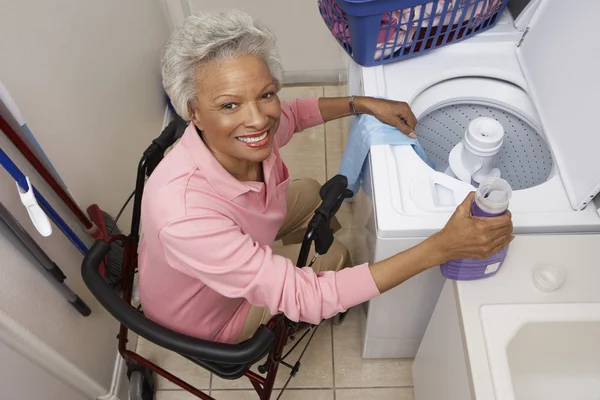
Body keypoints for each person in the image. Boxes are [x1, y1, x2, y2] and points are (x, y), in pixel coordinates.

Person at [138, 10, 513, 344]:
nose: (257, 119)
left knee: (310, 193)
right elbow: (309, 298)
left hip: (235, 242)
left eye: (266, 95)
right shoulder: (185, 216)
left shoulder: (242, 136)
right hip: (212, 314)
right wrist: (442, 247)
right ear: (194, 114)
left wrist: (361, 104)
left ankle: (274, 263)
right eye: (229, 104)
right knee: (336, 256)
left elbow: (295, 114)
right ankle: (286, 269)